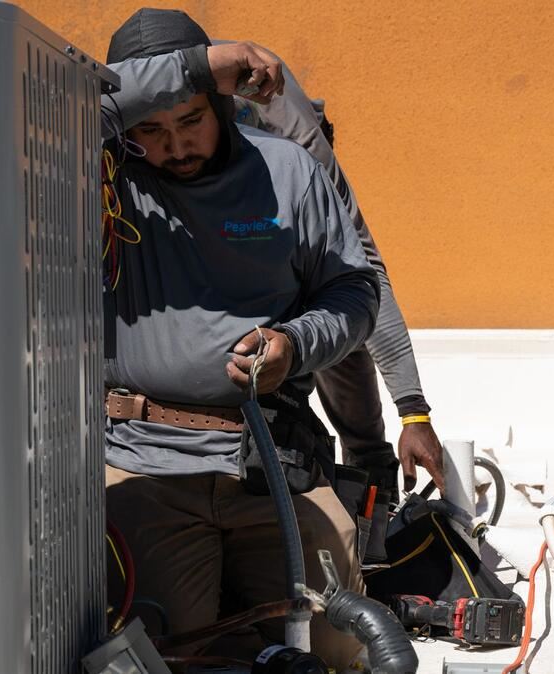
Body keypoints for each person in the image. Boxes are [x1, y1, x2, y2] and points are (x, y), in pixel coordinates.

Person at [99, 8, 377, 670]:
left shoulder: (287, 171)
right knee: (153, 652)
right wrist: (195, 69)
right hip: (144, 466)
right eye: (152, 129)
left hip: (272, 461)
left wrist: (296, 344)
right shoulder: (103, 175)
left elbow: (354, 294)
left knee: (344, 649)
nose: (175, 145)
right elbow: (58, 107)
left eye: (191, 118)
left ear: (223, 106)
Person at [229, 57, 446, 502]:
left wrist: (413, 413)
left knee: (339, 305)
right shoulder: (191, 136)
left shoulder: (306, 157)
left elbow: (365, 280)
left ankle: (369, 488)